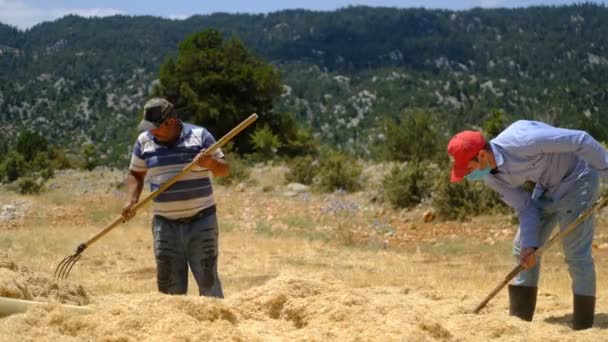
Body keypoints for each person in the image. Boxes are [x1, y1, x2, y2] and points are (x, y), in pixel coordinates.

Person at [447, 120, 607, 330]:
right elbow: (526, 207)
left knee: (575, 253)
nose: (469, 176)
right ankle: (520, 323)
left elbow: (581, 139)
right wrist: (529, 246)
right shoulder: (491, 178)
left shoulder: (522, 140)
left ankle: (584, 326)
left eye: (469, 169)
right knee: (521, 248)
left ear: (483, 155)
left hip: (578, 179)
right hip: (547, 186)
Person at [121, 97, 229, 298]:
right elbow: (135, 173)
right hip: (165, 226)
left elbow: (224, 170)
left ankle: (216, 326)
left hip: (201, 221)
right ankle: (176, 328)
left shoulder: (200, 136)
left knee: (208, 282)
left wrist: (210, 163)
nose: (151, 132)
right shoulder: (144, 141)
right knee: (169, 290)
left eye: (155, 127)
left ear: (170, 122)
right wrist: (131, 199)